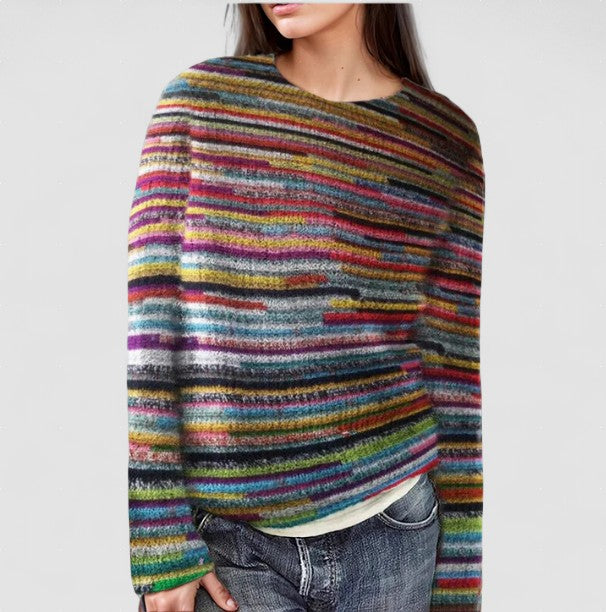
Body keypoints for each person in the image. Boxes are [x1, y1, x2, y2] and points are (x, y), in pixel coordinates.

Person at [127, 3, 485, 611]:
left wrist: (457, 591)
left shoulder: (444, 139)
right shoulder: (201, 105)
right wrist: (161, 544)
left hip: (396, 529)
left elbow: (452, 372)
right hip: (230, 544)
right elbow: (151, 336)